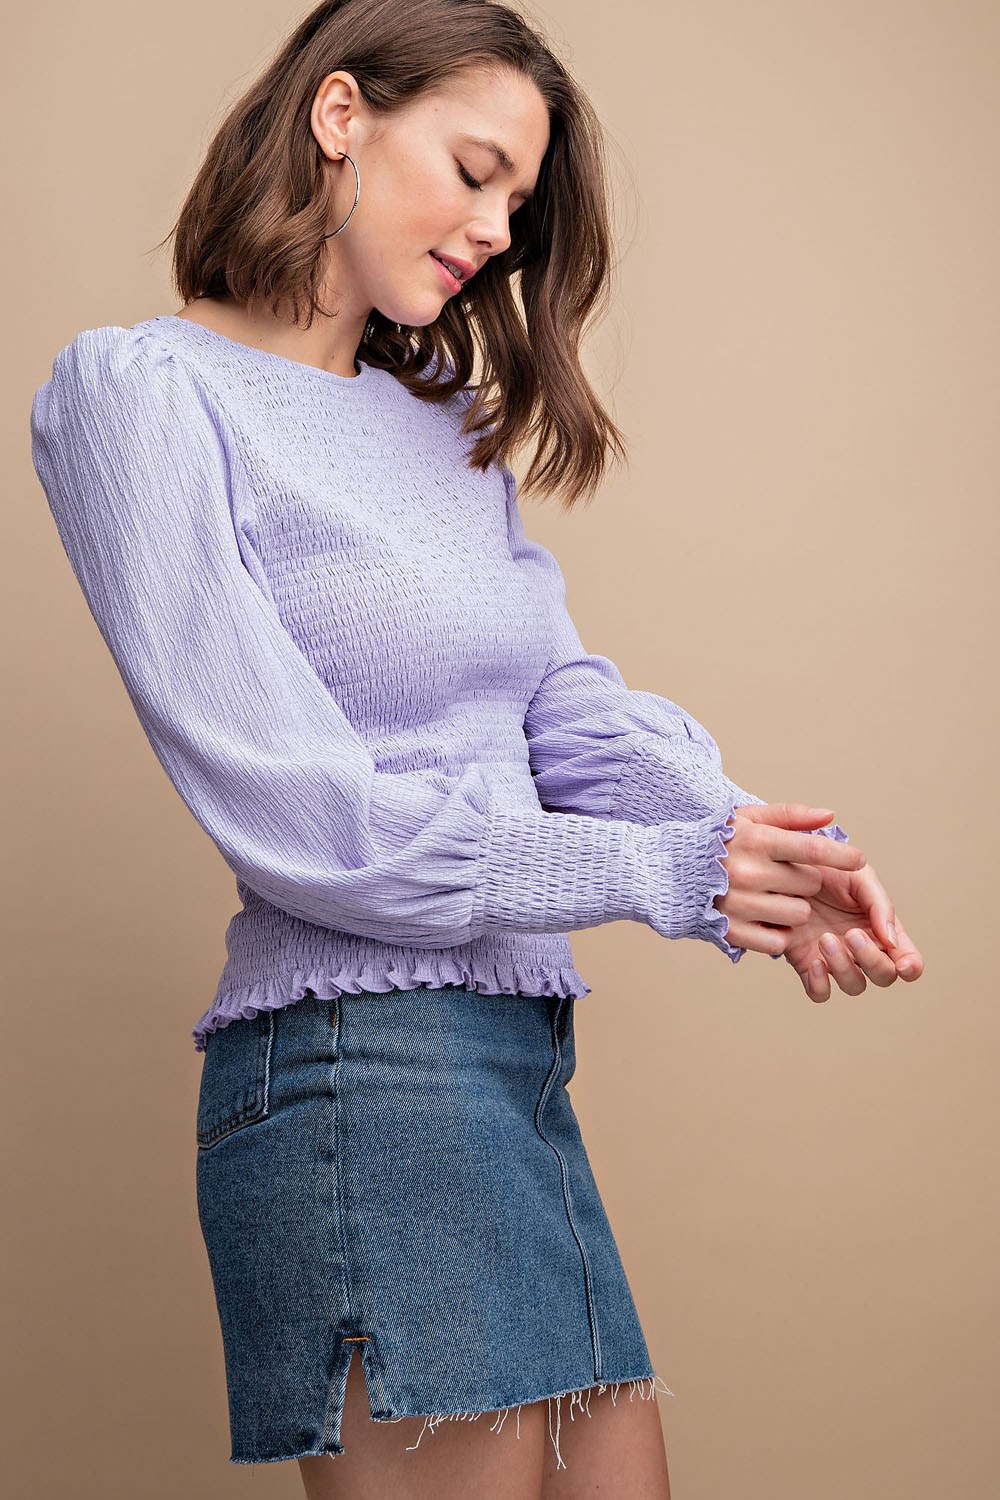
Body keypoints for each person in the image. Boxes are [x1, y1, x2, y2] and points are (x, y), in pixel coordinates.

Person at [28, 2, 923, 1495]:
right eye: (476, 171)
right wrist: (669, 872)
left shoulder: (438, 423)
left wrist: (758, 847)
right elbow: (313, 826)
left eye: (520, 199)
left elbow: (558, 708)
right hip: (357, 1065)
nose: (501, 230)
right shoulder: (143, 396)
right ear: (340, 117)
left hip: (513, 1058)